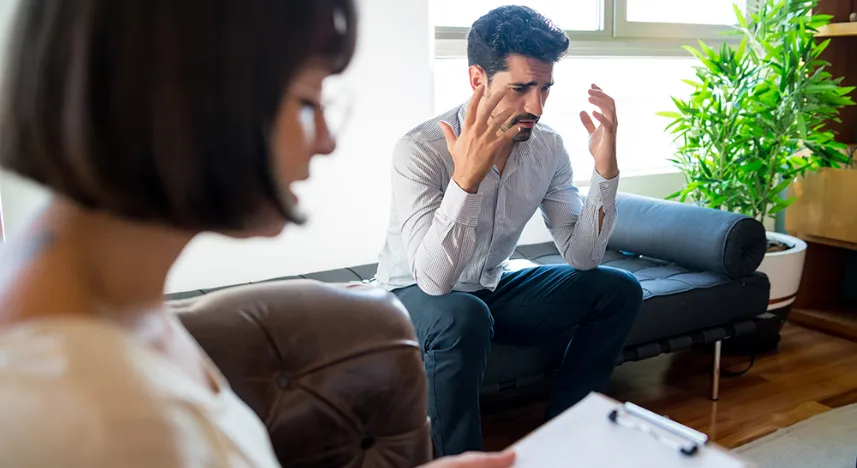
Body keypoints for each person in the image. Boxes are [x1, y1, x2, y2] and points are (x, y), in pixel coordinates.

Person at [0, 0, 513, 466]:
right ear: (186, 99)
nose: (327, 141)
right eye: (308, 101)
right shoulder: (78, 416)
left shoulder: (116, 307)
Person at [375, 5, 644, 456]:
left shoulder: (548, 148)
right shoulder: (420, 150)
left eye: (545, 88)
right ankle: (463, 462)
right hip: (410, 295)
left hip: (487, 289)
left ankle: (566, 437)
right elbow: (434, 281)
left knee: (618, 289)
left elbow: (583, 257)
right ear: (477, 79)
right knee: (463, 314)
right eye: (520, 88)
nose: (535, 106)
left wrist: (605, 171)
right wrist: (466, 180)